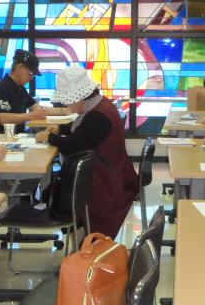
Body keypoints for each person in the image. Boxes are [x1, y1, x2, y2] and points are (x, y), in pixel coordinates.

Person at [35, 66, 138, 239]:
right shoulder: (101, 105)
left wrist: (50, 138)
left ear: (80, 98)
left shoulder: (98, 116)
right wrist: (60, 128)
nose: (67, 105)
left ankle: (85, 242)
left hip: (103, 183)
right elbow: (84, 131)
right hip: (112, 172)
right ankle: (80, 239)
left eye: (69, 101)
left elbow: (75, 145)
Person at [0, 49, 49, 136]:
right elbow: (3, 118)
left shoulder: (20, 88)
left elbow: (36, 107)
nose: (31, 78)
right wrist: (32, 115)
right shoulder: (1, 88)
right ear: (19, 67)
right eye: (31, 73)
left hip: (16, 135)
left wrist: (64, 111)